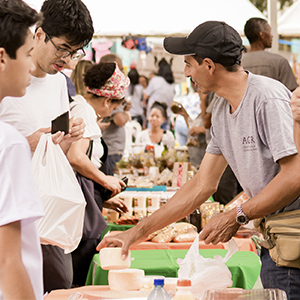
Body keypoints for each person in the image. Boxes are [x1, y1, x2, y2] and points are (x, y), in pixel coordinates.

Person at [97, 21, 300, 300]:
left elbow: (294, 176)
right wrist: (137, 232)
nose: (186, 72)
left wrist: (238, 215)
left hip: (292, 241)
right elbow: (202, 184)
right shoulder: (220, 109)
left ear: (208, 65)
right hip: (274, 241)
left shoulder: (266, 98)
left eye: (189, 64)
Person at [0, 0, 94, 293]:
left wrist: (64, 140)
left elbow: (57, 153)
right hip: (12, 218)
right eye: (63, 49)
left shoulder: (59, 85)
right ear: (39, 35)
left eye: (74, 52)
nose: (67, 59)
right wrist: (24, 144)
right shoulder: (11, 83)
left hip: (49, 216)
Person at [68, 62, 129, 286]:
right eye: (114, 106)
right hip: (80, 207)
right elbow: (75, 157)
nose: (112, 111)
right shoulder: (86, 113)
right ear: (106, 100)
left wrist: (103, 199)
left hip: (82, 198)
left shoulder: (79, 106)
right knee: (79, 273)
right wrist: (106, 180)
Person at [0, 0, 44, 299]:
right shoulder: (8, 142)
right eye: (28, 54)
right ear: (2, 58)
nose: (31, 65)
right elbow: (7, 261)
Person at [242, 17, 298, 92]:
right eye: (269, 32)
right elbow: (292, 94)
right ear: (262, 35)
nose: (272, 36)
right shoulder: (279, 62)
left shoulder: (238, 63)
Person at [99, 54, 131, 175]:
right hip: (111, 151)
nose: (123, 72)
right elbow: (120, 120)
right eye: (121, 69)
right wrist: (125, 114)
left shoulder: (106, 91)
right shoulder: (111, 92)